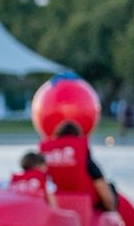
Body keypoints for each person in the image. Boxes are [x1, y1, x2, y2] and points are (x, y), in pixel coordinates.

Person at [31, 75, 118, 211]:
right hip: (86, 205)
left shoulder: (44, 156)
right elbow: (101, 185)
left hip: (55, 206)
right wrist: (111, 209)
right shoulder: (82, 155)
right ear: (78, 137)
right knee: (110, 186)